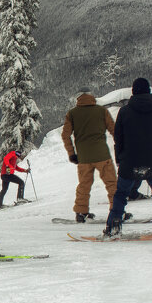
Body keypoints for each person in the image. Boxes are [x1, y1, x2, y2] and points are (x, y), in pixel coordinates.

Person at [104, 77, 152, 237]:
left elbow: (119, 138)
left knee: (121, 195)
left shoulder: (124, 111)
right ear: (149, 91)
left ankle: (114, 226)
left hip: (129, 161)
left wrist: (119, 159)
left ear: (133, 92)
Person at [61, 89, 117, 222]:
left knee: (84, 185)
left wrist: (72, 154)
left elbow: (65, 135)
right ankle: (117, 210)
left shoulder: (72, 113)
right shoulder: (101, 111)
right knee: (111, 183)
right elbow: (114, 130)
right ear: (92, 97)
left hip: (83, 157)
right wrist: (120, 147)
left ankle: (81, 212)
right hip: (102, 154)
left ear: (78, 99)